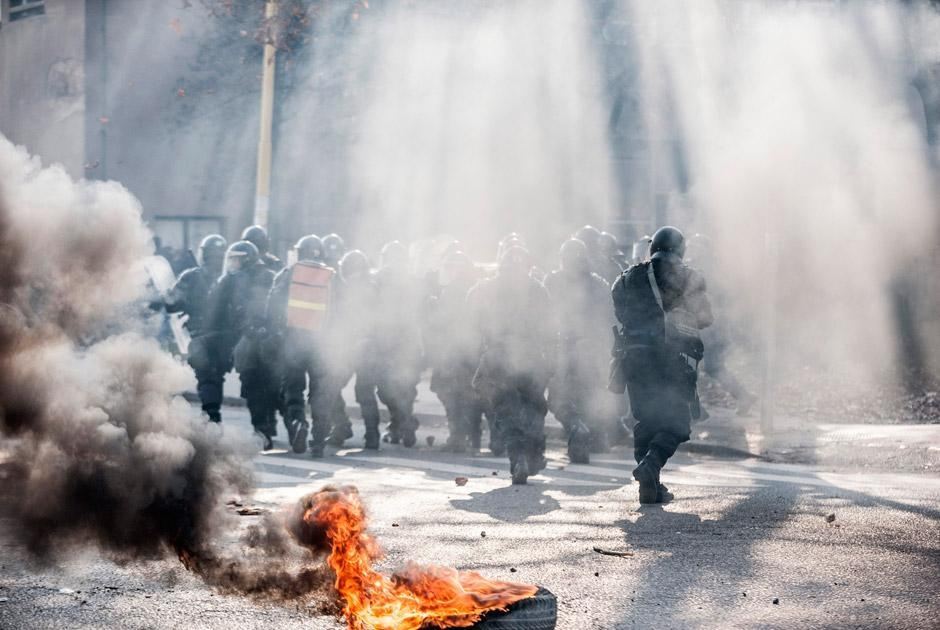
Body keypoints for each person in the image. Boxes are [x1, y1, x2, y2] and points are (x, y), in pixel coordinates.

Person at [611, 226, 713, 504]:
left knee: (646, 421)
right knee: (678, 423)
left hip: (633, 359)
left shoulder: (627, 278)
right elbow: (705, 317)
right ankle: (651, 466)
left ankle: (650, 487)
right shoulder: (690, 277)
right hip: (672, 361)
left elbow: (619, 309)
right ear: (681, 250)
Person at [469, 245, 554, 484]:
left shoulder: (485, 288)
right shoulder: (537, 288)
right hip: (531, 357)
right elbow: (550, 326)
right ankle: (533, 456)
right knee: (534, 409)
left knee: (507, 413)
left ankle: (519, 459)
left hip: (498, 357)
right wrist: (551, 359)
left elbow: (471, 314)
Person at [544, 238, 616, 464]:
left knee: (559, 399)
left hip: (564, 348)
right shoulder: (600, 284)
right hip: (591, 350)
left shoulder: (552, 281)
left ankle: (577, 427)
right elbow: (611, 319)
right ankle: (594, 436)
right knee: (591, 396)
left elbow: (541, 316)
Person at [266, 235, 337, 457]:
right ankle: (319, 439)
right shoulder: (332, 276)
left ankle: (298, 422)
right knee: (320, 392)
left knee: (293, 388)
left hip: (294, 343)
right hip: (322, 346)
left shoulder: (289, 274)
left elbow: (272, 306)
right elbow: (346, 309)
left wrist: (277, 334)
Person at [205, 240, 278, 449]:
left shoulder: (252, 279)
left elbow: (266, 309)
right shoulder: (237, 278)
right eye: (232, 259)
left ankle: (264, 429)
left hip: (254, 339)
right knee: (265, 385)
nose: (233, 263)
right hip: (252, 338)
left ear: (247, 259)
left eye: (237, 259)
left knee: (255, 385)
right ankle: (268, 427)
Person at [685, 233, 757, 416]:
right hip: (708, 326)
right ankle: (743, 396)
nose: (691, 250)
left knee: (697, 365)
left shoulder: (707, 270)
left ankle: (696, 409)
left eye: (695, 246)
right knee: (710, 367)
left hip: (710, 327)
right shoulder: (705, 267)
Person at [426, 250, 489, 453]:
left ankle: (459, 436)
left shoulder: (455, 291)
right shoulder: (478, 288)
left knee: (454, 395)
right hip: (469, 351)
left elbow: (444, 322)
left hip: (458, 352)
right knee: (469, 395)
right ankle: (472, 434)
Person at [165, 234, 228, 422]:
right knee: (215, 377)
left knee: (207, 378)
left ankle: (211, 415)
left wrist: (166, 295)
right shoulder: (230, 278)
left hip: (199, 337)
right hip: (226, 338)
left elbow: (172, 304)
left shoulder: (191, 276)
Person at [372, 241, 423, 447]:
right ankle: (403, 422)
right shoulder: (409, 281)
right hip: (402, 343)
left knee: (390, 388)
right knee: (402, 388)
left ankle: (402, 422)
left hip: (394, 343)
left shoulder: (381, 280)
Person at [332, 249, 383, 449]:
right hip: (355, 347)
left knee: (345, 389)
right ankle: (368, 434)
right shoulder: (367, 288)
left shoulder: (364, 290)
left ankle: (350, 429)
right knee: (359, 391)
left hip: (363, 347)